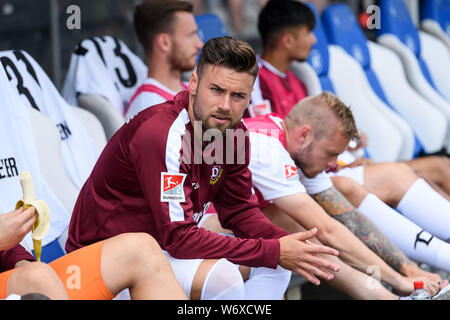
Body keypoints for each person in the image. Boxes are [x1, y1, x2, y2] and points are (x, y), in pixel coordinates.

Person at [66, 36, 342, 300]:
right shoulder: (163, 134)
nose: (225, 105)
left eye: (238, 96)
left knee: (277, 264)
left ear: (249, 99)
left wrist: (289, 245)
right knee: (224, 279)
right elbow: (179, 238)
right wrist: (273, 249)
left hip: (159, 249)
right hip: (103, 261)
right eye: (217, 90)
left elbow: (239, 211)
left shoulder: (233, 134)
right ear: (194, 83)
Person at [252, 0, 450, 268]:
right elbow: (277, 149)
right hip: (295, 184)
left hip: (323, 173)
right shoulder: (258, 83)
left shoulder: (297, 78)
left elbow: (316, 139)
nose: (313, 41)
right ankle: (427, 262)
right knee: (408, 173)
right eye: (307, 33)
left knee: (435, 169)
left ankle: (427, 260)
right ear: (287, 40)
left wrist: (346, 155)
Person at [0, 206, 187, 300]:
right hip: (33, 280)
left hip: (17, 280)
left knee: (139, 248)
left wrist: (22, 262)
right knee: (38, 277)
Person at [124, 0, 203, 120]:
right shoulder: (149, 108)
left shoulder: (192, 90)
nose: (199, 44)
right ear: (164, 43)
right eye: (190, 35)